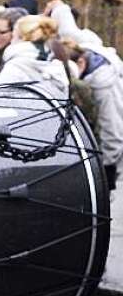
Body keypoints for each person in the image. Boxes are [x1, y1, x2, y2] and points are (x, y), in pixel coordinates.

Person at [59, 35, 123, 188]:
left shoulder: (104, 86)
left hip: (115, 156)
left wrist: (106, 170)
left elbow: (112, 131)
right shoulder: (84, 54)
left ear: (80, 63)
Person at [0, 14, 72, 97]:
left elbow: (1, 103)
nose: (11, 41)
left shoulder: (13, 68)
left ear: (22, 38)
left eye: (13, 36)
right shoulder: (56, 68)